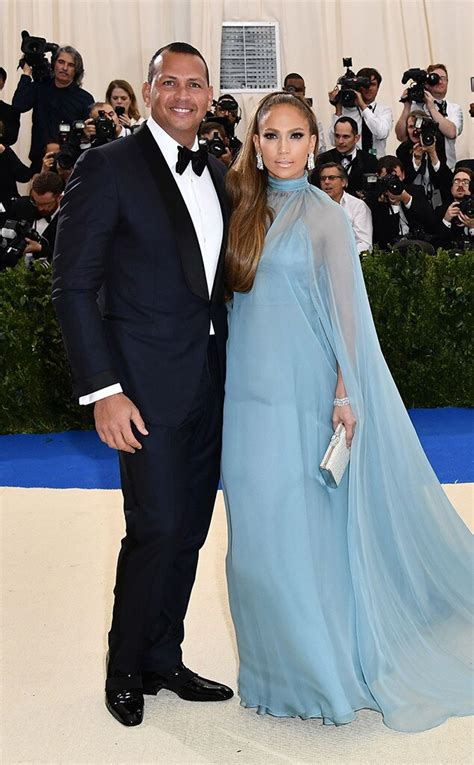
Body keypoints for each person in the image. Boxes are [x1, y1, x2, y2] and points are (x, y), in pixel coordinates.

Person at [221, 91, 473, 732]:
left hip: (307, 394)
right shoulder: (240, 210)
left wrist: (344, 394)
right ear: (255, 141)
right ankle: (269, 672)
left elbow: (348, 317)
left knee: (304, 531)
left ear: (316, 143)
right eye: (271, 135)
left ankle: (321, 674)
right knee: (255, 537)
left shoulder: (326, 217)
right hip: (245, 397)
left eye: (295, 136)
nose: (282, 148)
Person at [52, 41, 233, 728]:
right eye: (170, 82)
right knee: (153, 526)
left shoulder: (217, 169)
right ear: (150, 88)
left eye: (195, 84)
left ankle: (164, 653)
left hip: (210, 383)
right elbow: (72, 285)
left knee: (188, 528)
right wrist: (104, 389)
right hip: (142, 389)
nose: (183, 95)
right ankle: (125, 665)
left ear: (209, 94)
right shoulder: (107, 166)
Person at [12, 45, 94, 172]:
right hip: (39, 162)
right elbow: (19, 105)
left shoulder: (85, 99)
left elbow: (87, 135)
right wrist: (27, 74)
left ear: (76, 70)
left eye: (70, 65)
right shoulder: (40, 88)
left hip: (70, 164)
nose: (64, 68)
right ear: (54, 64)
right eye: (61, 62)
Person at [395, 64, 463, 170]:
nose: (440, 81)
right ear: (426, 83)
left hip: (444, 169)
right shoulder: (414, 107)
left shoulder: (454, 108)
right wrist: (406, 106)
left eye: (443, 78)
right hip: (417, 169)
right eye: (435, 78)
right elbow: (400, 136)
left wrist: (431, 108)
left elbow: (451, 133)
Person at [366, 156, 436, 248]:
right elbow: (383, 238)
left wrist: (407, 199)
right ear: (378, 178)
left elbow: (431, 222)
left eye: (396, 177)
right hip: (389, 250)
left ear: (403, 175)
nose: (393, 183)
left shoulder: (416, 191)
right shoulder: (374, 200)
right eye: (387, 179)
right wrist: (394, 206)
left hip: (418, 245)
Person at [328, 67, 393, 157]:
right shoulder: (347, 110)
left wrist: (363, 105)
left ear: (378, 87)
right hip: (354, 164)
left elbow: (381, 134)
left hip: (377, 162)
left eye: (373, 84)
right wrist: (338, 108)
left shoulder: (384, 110)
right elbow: (333, 141)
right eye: (365, 85)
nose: (369, 88)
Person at [396, 110, 452, 208]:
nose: (415, 131)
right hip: (412, 199)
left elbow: (445, 180)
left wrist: (433, 153)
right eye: (410, 127)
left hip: (437, 197)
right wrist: (416, 160)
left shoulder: (438, 145)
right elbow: (405, 180)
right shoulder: (402, 150)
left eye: (418, 126)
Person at [311, 116, 377, 196]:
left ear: (356, 138)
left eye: (346, 137)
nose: (340, 141)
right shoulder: (323, 159)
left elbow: (372, 192)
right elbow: (316, 189)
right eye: (337, 136)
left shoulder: (369, 161)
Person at [318, 161, 372, 252]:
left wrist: (342, 256)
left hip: (350, 261)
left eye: (331, 178)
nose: (326, 182)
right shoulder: (315, 206)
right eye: (323, 179)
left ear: (343, 182)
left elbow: (365, 244)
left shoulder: (357, 206)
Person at [283, 72, 327, 153]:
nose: (295, 93)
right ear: (284, 90)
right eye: (291, 89)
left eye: (299, 90)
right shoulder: (276, 113)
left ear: (304, 91)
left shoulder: (312, 115)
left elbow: (320, 146)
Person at [433, 167, 474, 248]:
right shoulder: (441, 210)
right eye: (456, 181)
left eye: (465, 182)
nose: (460, 185)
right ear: (451, 189)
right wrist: (446, 220)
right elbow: (436, 246)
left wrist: (473, 228)